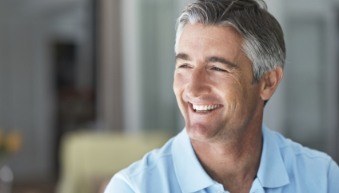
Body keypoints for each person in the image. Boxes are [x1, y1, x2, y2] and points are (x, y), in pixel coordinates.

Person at [104, 0, 339, 192]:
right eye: (184, 66)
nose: (193, 89)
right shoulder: (134, 188)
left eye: (217, 68)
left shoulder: (323, 178)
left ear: (268, 82)